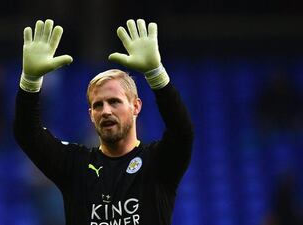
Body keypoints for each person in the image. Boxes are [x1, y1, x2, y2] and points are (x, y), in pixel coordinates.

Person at [14, 18, 194, 225]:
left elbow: (182, 131)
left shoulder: (158, 163)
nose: (106, 111)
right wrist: (30, 80)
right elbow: (27, 132)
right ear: (91, 115)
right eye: (98, 105)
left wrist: (156, 74)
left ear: (136, 106)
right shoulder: (75, 165)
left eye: (114, 102)